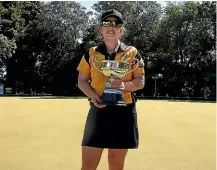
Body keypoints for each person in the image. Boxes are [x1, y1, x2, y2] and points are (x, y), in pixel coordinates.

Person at [77, 9, 145, 170]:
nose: (111, 27)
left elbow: (140, 81)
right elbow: (82, 81)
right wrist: (93, 96)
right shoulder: (91, 53)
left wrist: (124, 85)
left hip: (124, 112)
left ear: (121, 29)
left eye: (116, 24)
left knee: (116, 164)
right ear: (100, 29)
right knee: (88, 165)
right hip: (98, 110)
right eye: (106, 23)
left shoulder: (132, 52)